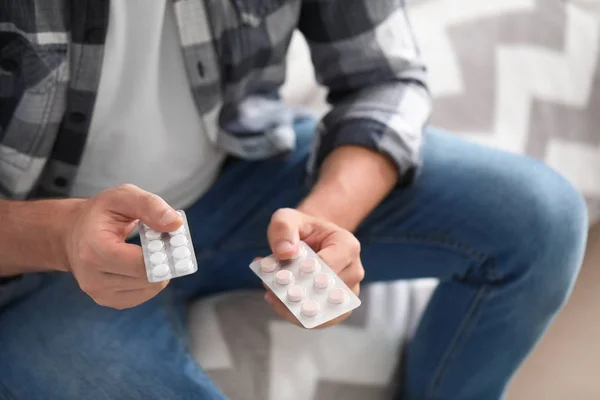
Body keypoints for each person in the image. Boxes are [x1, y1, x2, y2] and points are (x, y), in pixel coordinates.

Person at [0, 1, 588, 399]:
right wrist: (59, 235)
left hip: (240, 170)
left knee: (543, 217)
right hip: (39, 255)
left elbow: (386, 76)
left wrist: (326, 216)